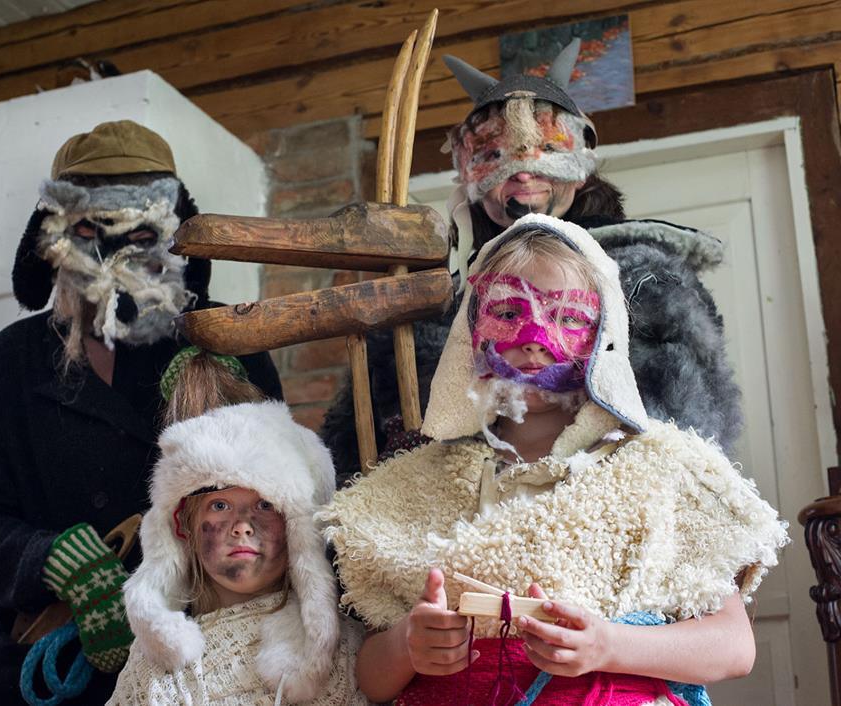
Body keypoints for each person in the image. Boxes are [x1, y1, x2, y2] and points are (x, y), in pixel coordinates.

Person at [320, 214, 788, 704]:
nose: (532, 337)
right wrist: (407, 646)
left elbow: (734, 648)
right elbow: (367, 681)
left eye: (567, 317)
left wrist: (609, 646)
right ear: (472, 335)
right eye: (508, 312)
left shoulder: (659, 473)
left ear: (604, 336)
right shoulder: (412, 489)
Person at [0, 120, 282, 705]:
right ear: (55, 235)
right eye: (92, 229)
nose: (115, 254)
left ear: (172, 232)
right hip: (52, 673)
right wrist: (57, 563)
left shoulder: (226, 340)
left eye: (141, 231)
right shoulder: (2, 367)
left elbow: (283, 497)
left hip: (205, 664)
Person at [321, 40, 740, 482]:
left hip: (601, 496)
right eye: (492, 155)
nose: (521, 172)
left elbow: (681, 421)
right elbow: (371, 426)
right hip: (458, 502)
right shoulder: (440, 294)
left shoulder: (644, 280)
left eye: (547, 150)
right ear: (468, 174)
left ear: (580, 167)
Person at [108, 353, 367, 705]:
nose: (242, 527)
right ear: (184, 527)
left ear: (298, 526)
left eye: (264, 505)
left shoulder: (344, 647)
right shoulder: (154, 668)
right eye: (219, 506)